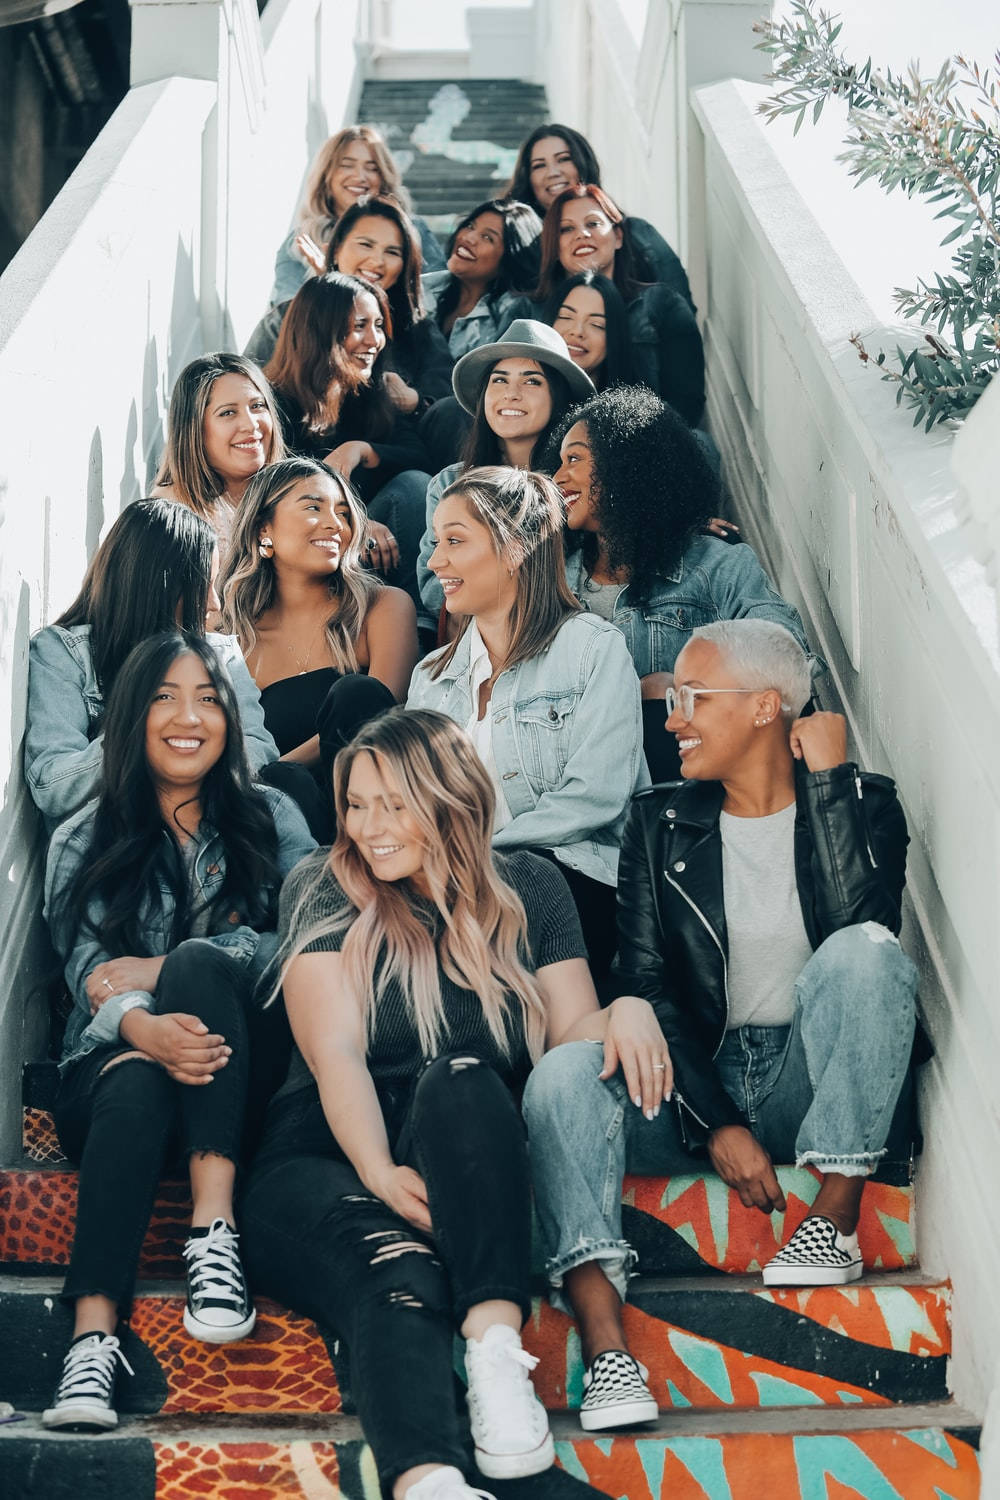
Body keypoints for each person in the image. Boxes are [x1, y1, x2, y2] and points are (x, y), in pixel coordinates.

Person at [241, 707, 669, 1498]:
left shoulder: (530, 885)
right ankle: (430, 1480)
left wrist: (629, 1009)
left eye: (393, 804)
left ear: (452, 799)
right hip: (324, 1152)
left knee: (466, 1073)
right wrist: (374, 1169)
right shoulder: (322, 887)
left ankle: (497, 1358)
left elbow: (573, 1034)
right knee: (396, 1271)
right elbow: (335, 1056)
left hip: (466, 1150)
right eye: (357, 804)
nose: (369, 827)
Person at [522, 620, 918, 1430]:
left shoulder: (865, 805)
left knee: (870, 956)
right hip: (692, 1079)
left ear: (767, 706)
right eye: (674, 700)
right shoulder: (658, 821)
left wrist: (832, 783)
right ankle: (607, 1354)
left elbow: (858, 933)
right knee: (563, 1075)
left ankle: (835, 1218)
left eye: (692, 698)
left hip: (809, 1081)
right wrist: (718, 1124)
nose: (671, 719)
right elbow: (646, 987)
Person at [40, 631, 316, 1431]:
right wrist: (143, 1030)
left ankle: (213, 1231)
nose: (186, 716)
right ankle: (92, 1344)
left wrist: (161, 976)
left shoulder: (272, 818)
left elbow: (309, 941)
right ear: (131, 714)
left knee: (197, 963)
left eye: (206, 696)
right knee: (133, 1076)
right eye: (164, 696)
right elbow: (90, 981)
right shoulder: (80, 840)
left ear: (229, 715)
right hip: (117, 1081)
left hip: (242, 1077)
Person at [409, 466, 646, 985]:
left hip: (569, 881)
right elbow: (414, 802)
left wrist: (481, 860)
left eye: (454, 540)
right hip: (457, 889)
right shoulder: (431, 678)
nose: (435, 560)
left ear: (514, 549)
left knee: (526, 878)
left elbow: (597, 796)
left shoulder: (592, 649)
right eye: (436, 541)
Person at [551, 387, 815, 779]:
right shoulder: (551, 580)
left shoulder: (716, 565)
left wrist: (688, 693)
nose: (558, 477)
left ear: (628, 465)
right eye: (559, 462)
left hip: (690, 784)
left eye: (574, 459)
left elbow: (787, 658)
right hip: (583, 778)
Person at [25, 500, 277, 834]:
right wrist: (149, 734)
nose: (215, 604)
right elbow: (51, 785)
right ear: (161, 584)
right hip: (112, 846)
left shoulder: (220, 654)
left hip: (207, 837)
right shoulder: (65, 654)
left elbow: (260, 749)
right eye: (204, 585)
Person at [220, 456, 417, 838]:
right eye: (314, 507)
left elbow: (385, 711)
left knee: (356, 694)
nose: (335, 524)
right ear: (265, 528)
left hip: (375, 818)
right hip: (280, 829)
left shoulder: (383, 606)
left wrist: (266, 775)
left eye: (343, 513)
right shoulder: (233, 640)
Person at [263, 271, 432, 605]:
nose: (375, 340)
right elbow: (275, 495)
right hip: (304, 541)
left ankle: (422, 625)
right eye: (360, 326)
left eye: (379, 325)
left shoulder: (369, 393)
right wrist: (352, 521)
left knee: (414, 485)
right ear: (320, 330)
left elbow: (420, 457)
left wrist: (361, 450)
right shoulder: (272, 402)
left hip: (377, 549)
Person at [416, 320, 594, 624]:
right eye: (499, 380)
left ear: (559, 396)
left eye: (532, 381)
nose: (511, 394)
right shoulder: (449, 483)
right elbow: (434, 590)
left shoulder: (576, 482)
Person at [247, 197, 453, 414]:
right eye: (365, 244)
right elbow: (247, 386)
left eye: (392, 252)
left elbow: (447, 403)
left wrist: (414, 401)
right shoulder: (288, 316)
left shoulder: (418, 329)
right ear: (335, 250)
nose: (377, 261)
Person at [534, 184, 704, 427]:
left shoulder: (660, 303)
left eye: (593, 223)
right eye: (566, 228)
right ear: (554, 246)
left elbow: (687, 402)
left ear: (618, 236)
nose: (581, 234)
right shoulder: (533, 310)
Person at [502, 123, 693, 310]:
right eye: (539, 165)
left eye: (564, 159)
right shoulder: (520, 249)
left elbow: (681, 305)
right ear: (528, 178)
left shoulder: (637, 232)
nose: (552, 172)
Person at [270, 125, 444, 306]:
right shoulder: (301, 242)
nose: (360, 176)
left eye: (372, 168)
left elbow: (437, 296)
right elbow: (287, 312)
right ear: (326, 175)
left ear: (384, 176)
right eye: (346, 165)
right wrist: (327, 285)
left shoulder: (414, 230)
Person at [151, 353, 286, 565]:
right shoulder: (171, 512)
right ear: (194, 430)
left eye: (257, 406)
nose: (251, 425)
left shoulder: (291, 494)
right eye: (228, 413)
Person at [421, 199, 542, 360]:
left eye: (487, 237)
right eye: (470, 226)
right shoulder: (420, 288)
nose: (468, 238)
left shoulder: (514, 315)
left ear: (512, 257)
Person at [542, 269, 637, 390]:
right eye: (565, 316)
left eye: (597, 325)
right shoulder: (520, 398)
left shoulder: (636, 407)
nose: (577, 331)